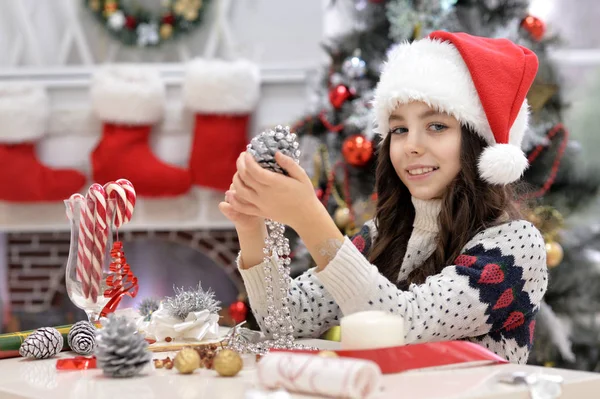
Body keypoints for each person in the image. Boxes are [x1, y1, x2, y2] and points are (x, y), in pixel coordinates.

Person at [219, 31, 547, 364]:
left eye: (436, 126)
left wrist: (308, 216)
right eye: (399, 129)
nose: (411, 145)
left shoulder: (515, 245)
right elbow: (287, 322)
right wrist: (250, 226)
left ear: (480, 141)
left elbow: (402, 326)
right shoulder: (383, 235)